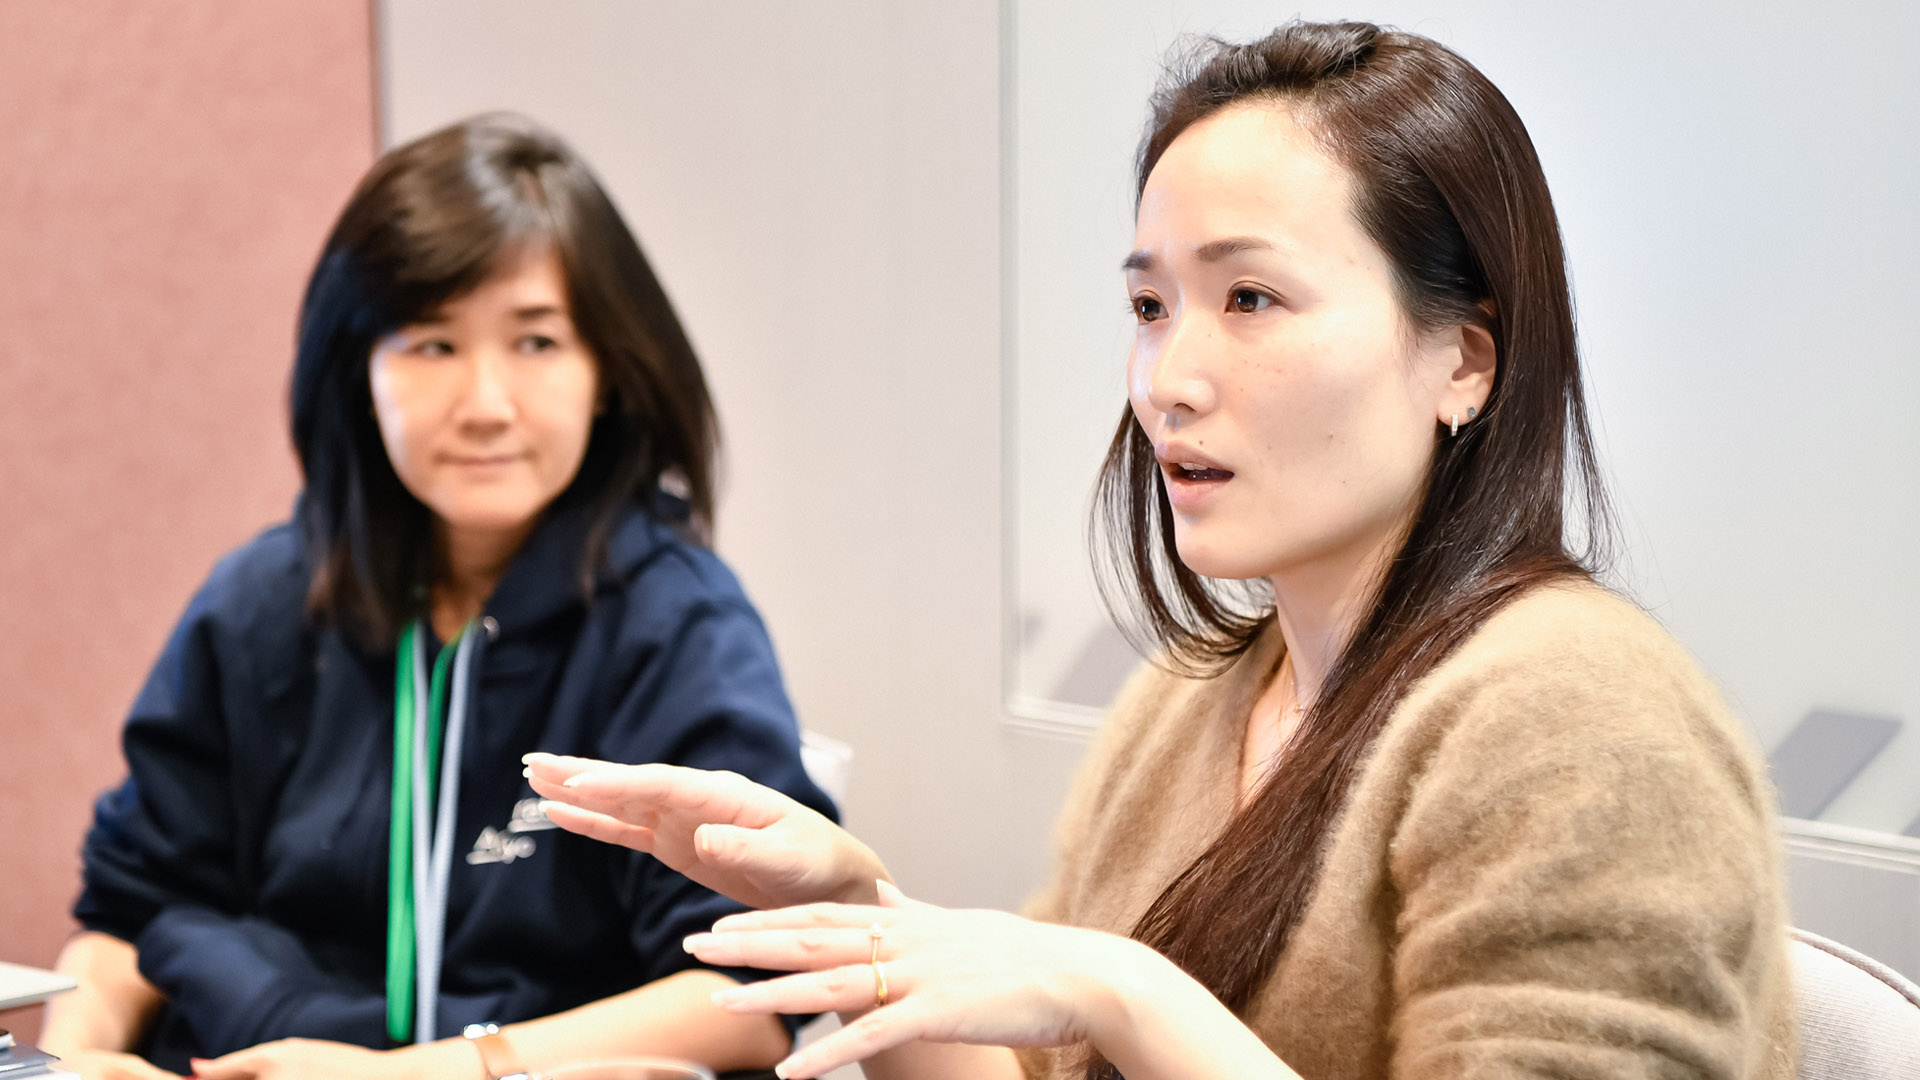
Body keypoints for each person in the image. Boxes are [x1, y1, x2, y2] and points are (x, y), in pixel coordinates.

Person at [525, 21, 1796, 1080]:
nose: (1165, 381)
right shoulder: (1194, 697)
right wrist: (855, 911)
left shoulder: (1583, 720)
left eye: (1250, 298)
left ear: (1462, 355)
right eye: (1150, 306)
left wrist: (1124, 992)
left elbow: (1101, 1005)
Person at [42, 113, 834, 1080]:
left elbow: (747, 996)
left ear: (609, 375)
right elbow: (126, 918)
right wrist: (71, 1064)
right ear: (357, 373)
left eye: (536, 342)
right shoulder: (260, 602)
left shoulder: (675, 625)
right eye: (431, 345)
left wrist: (406, 1076)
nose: (487, 403)